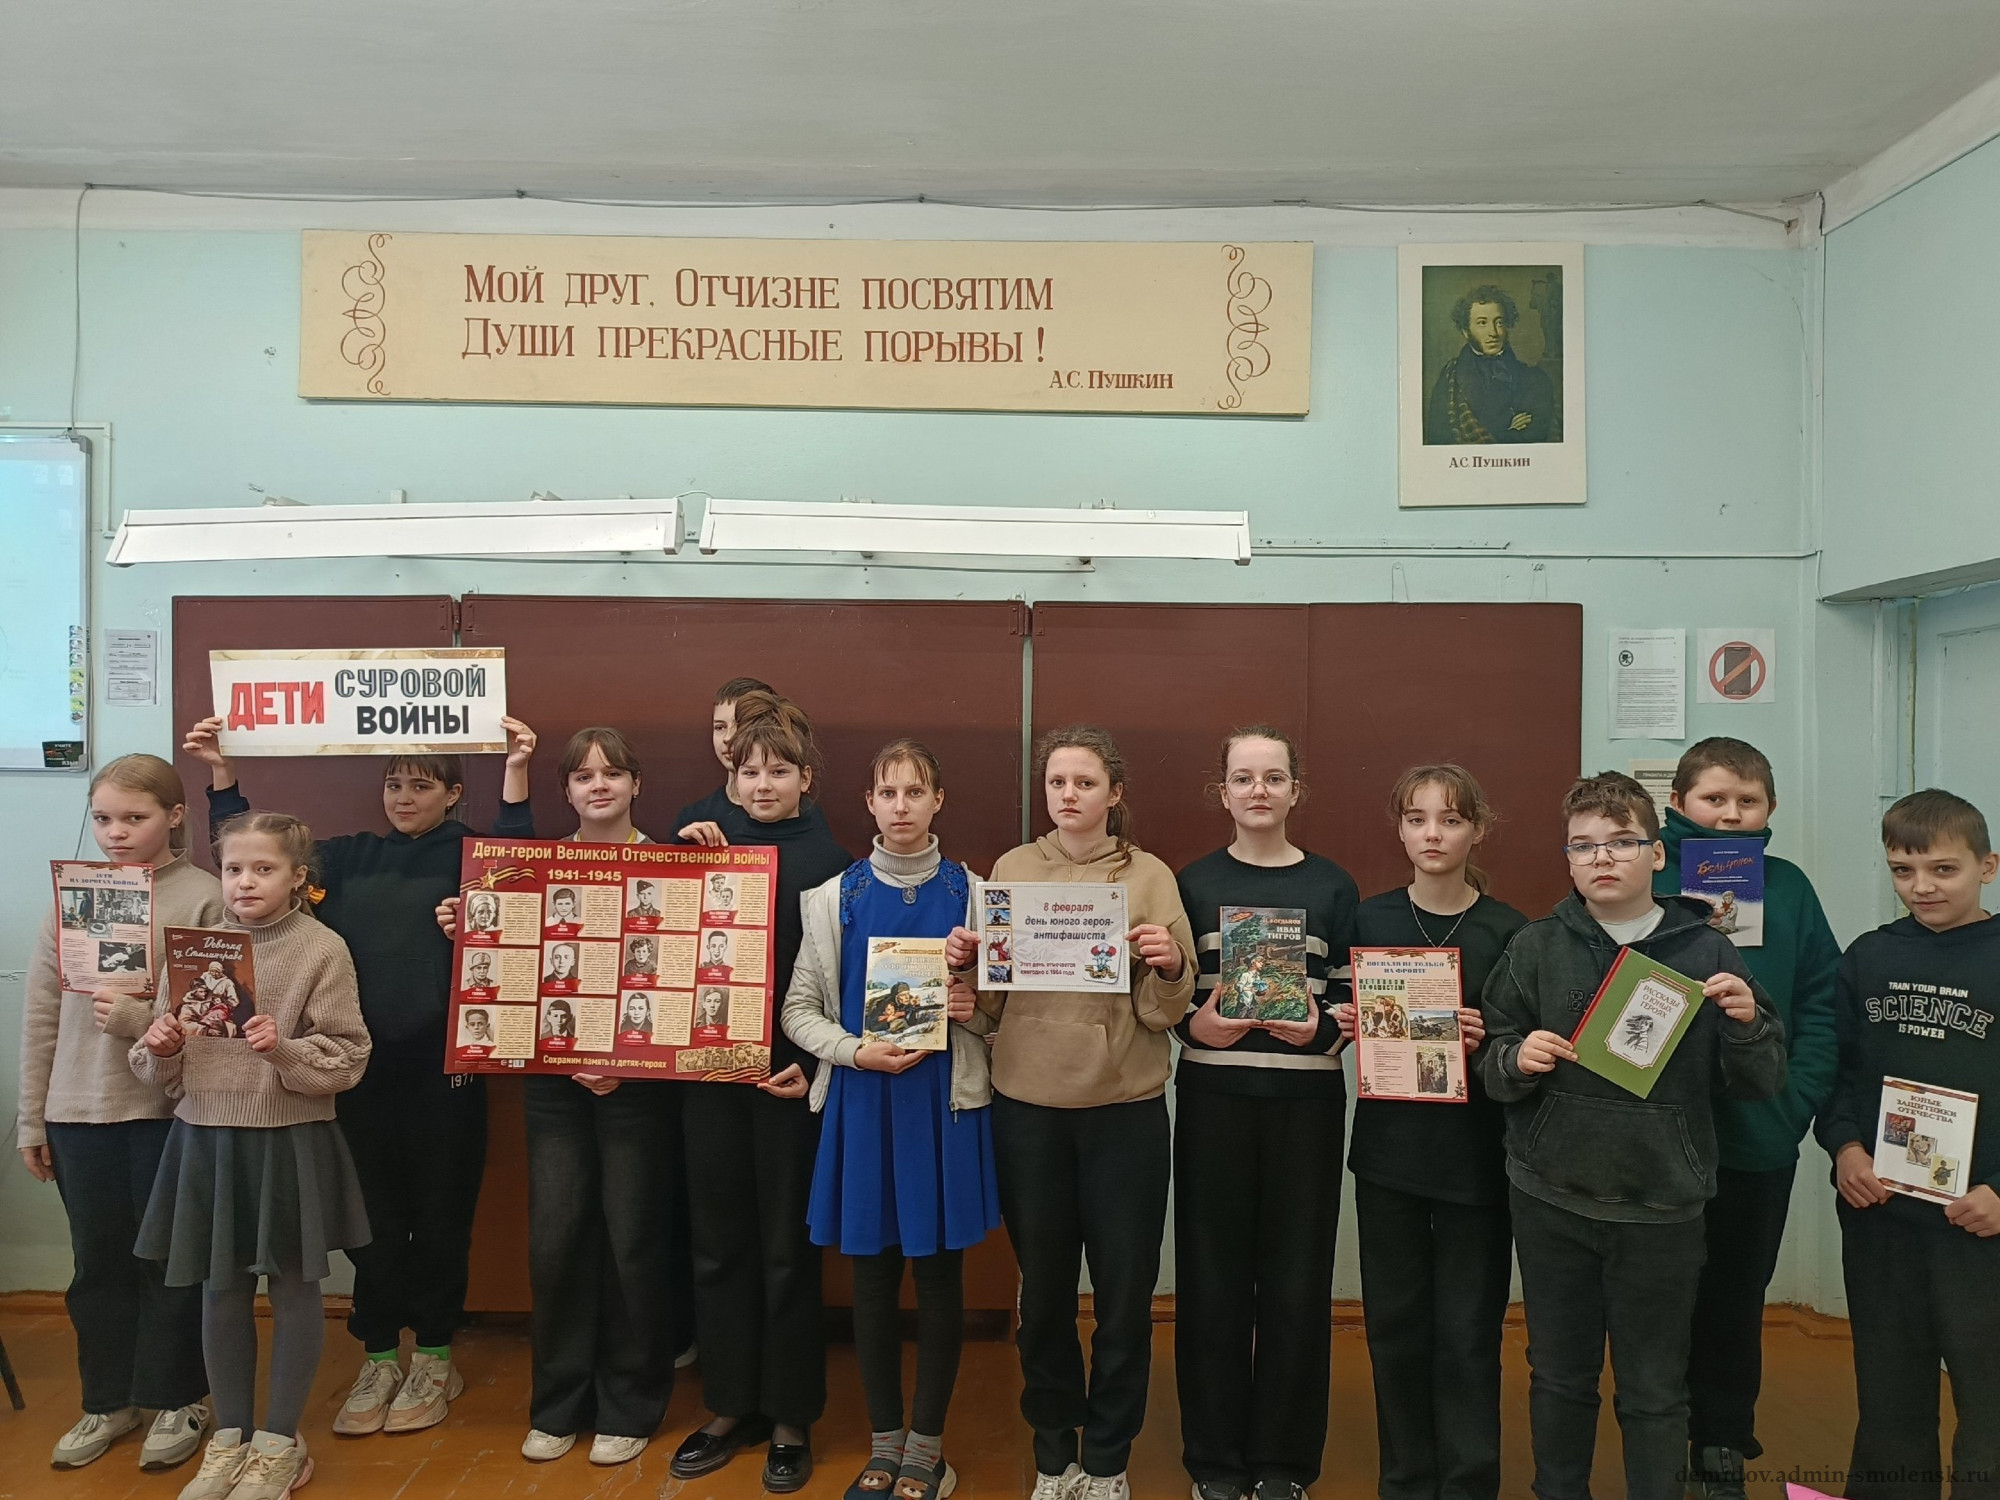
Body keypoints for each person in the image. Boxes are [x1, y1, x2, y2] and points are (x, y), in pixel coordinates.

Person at [184, 713, 532, 1438]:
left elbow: (521, 871)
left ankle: (434, 1355)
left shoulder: (475, 854)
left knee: (441, 1218)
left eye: (421, 785)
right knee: (371, 1224)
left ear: (453, 794)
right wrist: (222, 775)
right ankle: (378, 1355)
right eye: (393, 783)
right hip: (356, 1076)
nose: (403, 797)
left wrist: (516, 772)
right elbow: (254, 850)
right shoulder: (347, 857)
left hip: (446, 1070)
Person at [1478, 772, 1786, 1500]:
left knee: (1654, 1387)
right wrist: (1515, 1059)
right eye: (1582, 846)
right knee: (1559, 1376)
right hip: (1551, 1198)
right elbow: (1491, 1058)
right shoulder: (1534, 946)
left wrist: (1747, 1024)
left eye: (1621, 842)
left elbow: (1760, 1080)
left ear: (1657, 853)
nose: (1602, 858)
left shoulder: (1709, 952)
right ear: (1568, 857)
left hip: (1662, 1207)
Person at [945, 725, 1196, 1500]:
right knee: (1046, 1296)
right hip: (1029, 1113)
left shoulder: (1151, 877)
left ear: (1114, 793)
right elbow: (994, 1004)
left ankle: (1109, 1458)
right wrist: (966, 973)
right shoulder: (1012, 871)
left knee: (1123, 1300)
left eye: (1085, 782)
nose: (1069, 795)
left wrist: (1169, 965)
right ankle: (1054, 1453)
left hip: (1125, 1114)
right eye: (1057, 781)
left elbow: (1164, 1012)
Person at [438, 724, 683, 1467]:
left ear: (636, 784)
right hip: (553, 1087)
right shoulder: (534, 869)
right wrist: (470, 931)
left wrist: (626, 1063)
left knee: (634, 1242)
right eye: (582, 776)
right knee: (557, 1242)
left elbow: (680, 986)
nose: (598, 785)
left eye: (612, 773)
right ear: (567, 791)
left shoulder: (675, 869)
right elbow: (511, 972)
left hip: (640, 1089)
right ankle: (558, 1404)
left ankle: (630, 1404)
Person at [129, 812, 372, 1500]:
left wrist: (283, 1049)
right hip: (205, 1137)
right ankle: (230, 1437)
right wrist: (162, 1046)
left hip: (288, 1138)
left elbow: (349, 1056)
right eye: (234, 868)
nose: (245, 882)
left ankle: (279, 1443)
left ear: (298, 877)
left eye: (264, 869)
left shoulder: (322, 948)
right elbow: (152, 1066)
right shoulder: (196, 948)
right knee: (220, 1288)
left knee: (293, 1289)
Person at [784, 739, 1001, 1500]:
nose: (901, 806)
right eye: (888, 793)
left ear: (938, 800)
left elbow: (1009, 1016)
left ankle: (927, 1450)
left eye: (915, 792)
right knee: (872, 1280)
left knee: (938, 1280)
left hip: (943, 1110)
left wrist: (975, 1009)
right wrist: (854, 1051)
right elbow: (798, 1012)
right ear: (869, 803)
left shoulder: (979, 896)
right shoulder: (830, 899)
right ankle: (884, 1443)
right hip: (864, 1107)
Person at [18, 755, 224, 1473]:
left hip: (169, 1110)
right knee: (97, 1263)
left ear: (174, 816)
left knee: (168, 1259)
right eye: (103, 818)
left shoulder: (205, 898)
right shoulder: (73, 897)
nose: (116, 832)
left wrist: (147, 1011)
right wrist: (33, 1118)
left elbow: (217, 1013)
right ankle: (108, 1400)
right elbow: (41, 1014)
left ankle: (179, 1396)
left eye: (134, 818)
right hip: (78, 1109)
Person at [670, 691, 852, 1492]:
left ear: (806, 778)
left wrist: (813, 1062)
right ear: (732, 778)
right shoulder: (701, 846)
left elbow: (846, 983)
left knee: (785, 1252)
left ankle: (790, 1415)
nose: (764, 785)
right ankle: (730, 1403)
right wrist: (679, 862)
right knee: (716, 1247)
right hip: (710, 1079)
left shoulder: (833, 864)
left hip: (790, 1082)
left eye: (780, 771)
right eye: (750, 772)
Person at [1651, 738, 1841, 1500]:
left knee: (1735, 1299)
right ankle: (1656, 1442)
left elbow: (1823, 1002)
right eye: (1714, 799)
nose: (1730, 814)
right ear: (1677, 805)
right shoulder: (1643, 876)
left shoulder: (1789, 888)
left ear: (1769, 809)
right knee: (1657, 1300)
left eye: (1747, 801)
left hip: (1758, 1137)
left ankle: (1722, 1444)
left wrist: (1792, 1100)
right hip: (1656, 1139)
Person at [1172, 727, 1355, 1500]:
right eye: (1244, 777)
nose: (1258, 790)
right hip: (1213, 1103)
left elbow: (1352, 997)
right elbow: (1168, 994)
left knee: (1296, 1287)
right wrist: (1194, 1026)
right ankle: (1215, 1464)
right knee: (1210, 1284)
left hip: (1304, 1107)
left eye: (1273, 777)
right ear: (1223, 791)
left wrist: (1324, 1030)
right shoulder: (1191, 882)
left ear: (1294, 791)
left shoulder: (1333, 887)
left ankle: (1283, 1465)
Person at [1339, 765, 1527, 1500]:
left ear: (1477, 829)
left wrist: (1491, 1039)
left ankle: (1470, 1481)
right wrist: (1348, 1021)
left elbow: (1523, 1047)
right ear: (1400, 829)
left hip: (1476, 1160)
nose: (1433, 834)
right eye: (1417, 819)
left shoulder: (1509, 930)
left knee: (1469, 1333)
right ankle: (1407, 1480)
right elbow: (1336, 1018)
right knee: (1394, 1328)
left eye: (1450, 820)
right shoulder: (1369, 920)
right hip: (1388, 1155)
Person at [1816, 790, 2000, 1500]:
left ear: (1987, 867)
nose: (1922, 886)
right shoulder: (1870, 957)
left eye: (1943, 869)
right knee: (1890, 1399)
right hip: (1884, 1217)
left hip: (1981, 1226)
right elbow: (1835, 1074)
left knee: (1989, 1404)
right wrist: (1845, 1149)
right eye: (1902, 869)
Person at [1423, 282, 1556, 444]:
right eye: (1482, 323)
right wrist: (1507, 432)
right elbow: (1439, 438)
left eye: (1499, 322)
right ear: (1466, 331)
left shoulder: (1534, 378)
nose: (1493, 332)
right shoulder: (1450, 376)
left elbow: (1535, 437)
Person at [672, 676, 778, 830]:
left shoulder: (801, 816)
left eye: (740, 726)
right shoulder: (695, 818)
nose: (728, 738)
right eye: (720, 727)